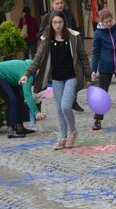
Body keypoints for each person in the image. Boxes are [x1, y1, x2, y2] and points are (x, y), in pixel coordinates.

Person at [20, 10, 91, 150]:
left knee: (65, 106)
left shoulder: (73, 37)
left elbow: (83, 57)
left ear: (64, 23)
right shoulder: (46, 39)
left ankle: (73, 131)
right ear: (50, 23)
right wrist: (27, 75)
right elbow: (37, 59)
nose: (57, 25)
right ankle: (63, 138)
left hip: (72, 77)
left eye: (60, 22)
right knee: (59, 109)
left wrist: (88, 77)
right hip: (57, 79)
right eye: (54, 22)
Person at [39, 0, 85, 112]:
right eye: (57, 3)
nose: (60, 5)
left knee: (74, 76)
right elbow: (41, 33)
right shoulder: (47, 17)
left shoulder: (69, 14)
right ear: (52, 4)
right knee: (60, 99)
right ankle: (67, 106)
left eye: (61, 3)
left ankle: (73, 101)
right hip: (56, 52)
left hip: (69, 49)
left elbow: (74, 30)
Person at [0, 59, 46, 138]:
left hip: (7, 78)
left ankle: (19, 127)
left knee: (19, 98)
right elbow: (28, 95)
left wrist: (31, 102)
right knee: (11, 100)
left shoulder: (28, 68)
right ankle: (11, 130)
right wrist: (36, 112)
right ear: (37, 69)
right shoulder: (29, 75)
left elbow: (24, 94)